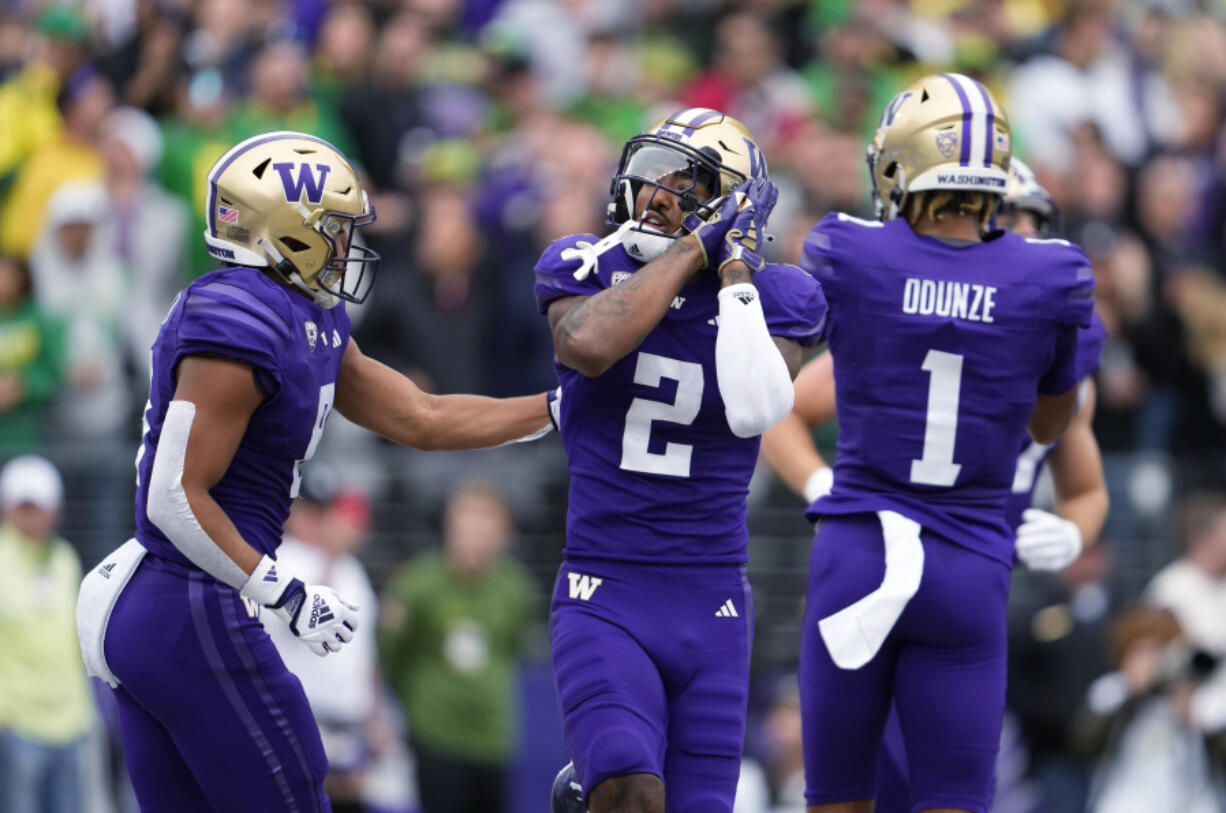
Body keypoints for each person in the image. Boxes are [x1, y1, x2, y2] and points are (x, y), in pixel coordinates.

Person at [74, 130, 555, 813]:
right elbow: (172, 496)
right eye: (334, 226)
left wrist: (557, 407)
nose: (348, 243)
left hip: (180, 602)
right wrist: (281, 589)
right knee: (299, 792)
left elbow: (421, 416)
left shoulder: (309, 314)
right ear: (286, 229)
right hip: (190, 598)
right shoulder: (238, 315)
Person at [762, 155, 1110, 813]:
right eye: (1003, 217)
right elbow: (786, 413)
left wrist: (1072, 531)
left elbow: (1085, 486)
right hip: (930, 569)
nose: (1012, 234)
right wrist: (823, 487)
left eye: (1026, 221)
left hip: (965, 578)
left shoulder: (1047, 334)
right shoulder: (909, 322)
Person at [535, 107, 827, 813]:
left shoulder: (781, 295)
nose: (657, 195)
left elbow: (759, 404)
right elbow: (587, 345)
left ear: (732, 203)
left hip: (712, 599)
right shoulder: (583, 263)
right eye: (651, 177)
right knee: (630, 786)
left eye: (686, 181)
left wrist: (732, 273)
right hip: (605, 588)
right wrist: (693, 251)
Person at [379, 478, 537, 813]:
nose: (473, 539)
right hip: (436, 737)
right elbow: (393, 653)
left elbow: (513, 649)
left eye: (484, 528)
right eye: (465, 527)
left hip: (493, 739)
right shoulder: (419, 583)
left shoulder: (516, 588)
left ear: (502, 533)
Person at [260, 463, 384, 813]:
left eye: (326, 510)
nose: (319, 520)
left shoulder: (351, 567)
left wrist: (376, 718)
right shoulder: (279, 560)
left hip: (349, 722)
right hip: (303, 719)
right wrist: (331, 552)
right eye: (310, 510)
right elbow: (306, 621)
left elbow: (364, 651)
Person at [0, 455, 93, 813]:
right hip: (17, 725)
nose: (31, 516)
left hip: (70, 723)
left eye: (38, 507)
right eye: (23, 507)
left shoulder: (64, 559)